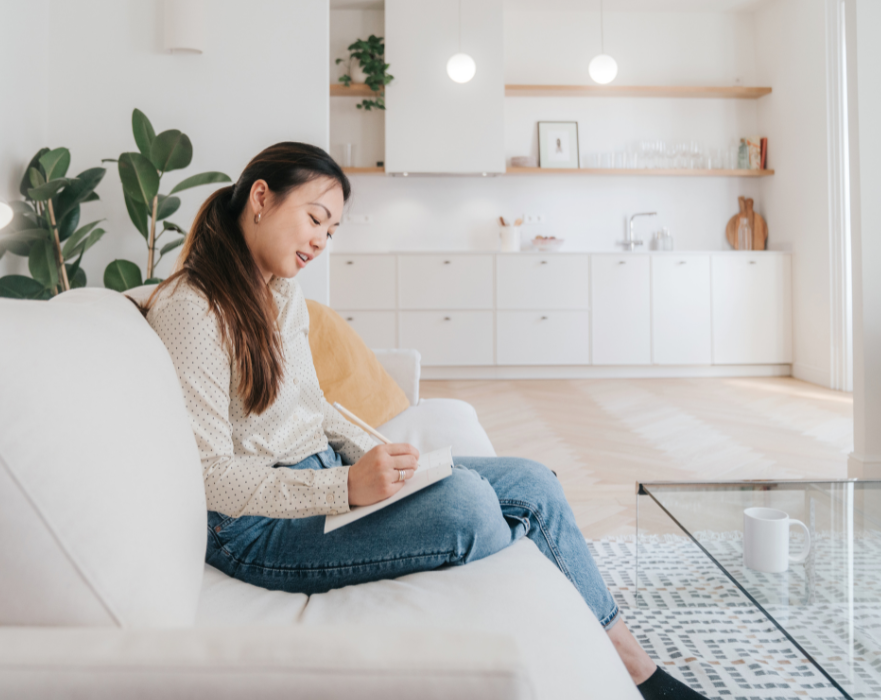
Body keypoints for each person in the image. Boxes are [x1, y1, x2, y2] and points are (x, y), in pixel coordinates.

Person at [130, 142, 707, 700]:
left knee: (533, 480)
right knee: (468, 504)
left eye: (331, 231)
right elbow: (207, 475)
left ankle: (637, 669)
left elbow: (316, 409)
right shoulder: (191, 307)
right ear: (261, 197)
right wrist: (343, 487)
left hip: (323, 479)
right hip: (255, 529)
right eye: (315, 218)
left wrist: (385, 457)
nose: (321, 241)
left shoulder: (280, 293)